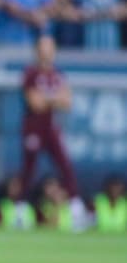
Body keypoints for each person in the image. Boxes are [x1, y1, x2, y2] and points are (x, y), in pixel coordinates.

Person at [18, 35, 86, 225]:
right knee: (29, 169)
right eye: (43, 47)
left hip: (51, 127)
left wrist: (48, 98)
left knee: (65, 165)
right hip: (33, 126)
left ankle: (76, 208)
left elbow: (67, 102)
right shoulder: (30, 74)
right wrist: (54, 98)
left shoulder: (58, 75)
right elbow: (35, 103)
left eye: (49, 47)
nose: (46, 52)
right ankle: (20, 209)